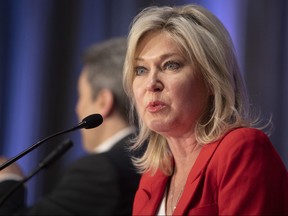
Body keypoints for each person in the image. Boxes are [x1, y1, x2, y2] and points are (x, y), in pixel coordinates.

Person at [122, 4, 288, 215]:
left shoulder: (241, 150)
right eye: (141, 70)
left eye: (170, 65)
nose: (151, 83)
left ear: (211, 80)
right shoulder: (153, 176)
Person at [0, 37, 141, 215]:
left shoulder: (100, 170)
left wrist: (7, 179)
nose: (77, 108)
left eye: (80, 97)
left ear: (103, 102)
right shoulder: (153, 155)